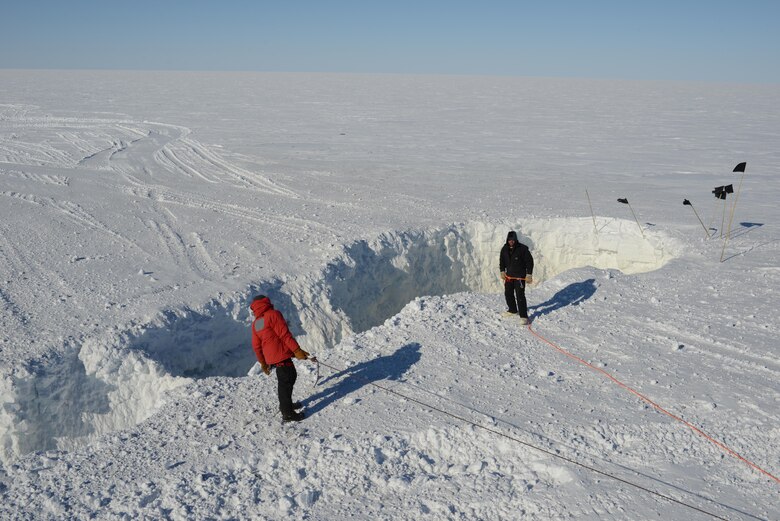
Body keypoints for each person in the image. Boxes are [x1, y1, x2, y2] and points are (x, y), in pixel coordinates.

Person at [250, 294, 311, 422]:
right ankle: (287, 413)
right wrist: (296, 350)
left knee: (287, 379)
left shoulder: (257, 323)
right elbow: (284, 335)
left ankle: (286, 405)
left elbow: (257, 346)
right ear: (266, 302)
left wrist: (263, 362)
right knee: (286, 381)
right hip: (281, 355)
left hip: (272, 357)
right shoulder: (273, 314)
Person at [499, 231, 534, 324]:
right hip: (509, 277)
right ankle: (513, 310)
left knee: (520, 296)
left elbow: (529, 262)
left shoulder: (522, 249)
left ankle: (524, 316)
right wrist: (502, 271)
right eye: (509, 240)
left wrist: (529, 274)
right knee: (508, 294)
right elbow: (501, 260)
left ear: (515, 239)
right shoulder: (504, 249)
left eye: (513, 240)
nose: (511, 241)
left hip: (519, 277)